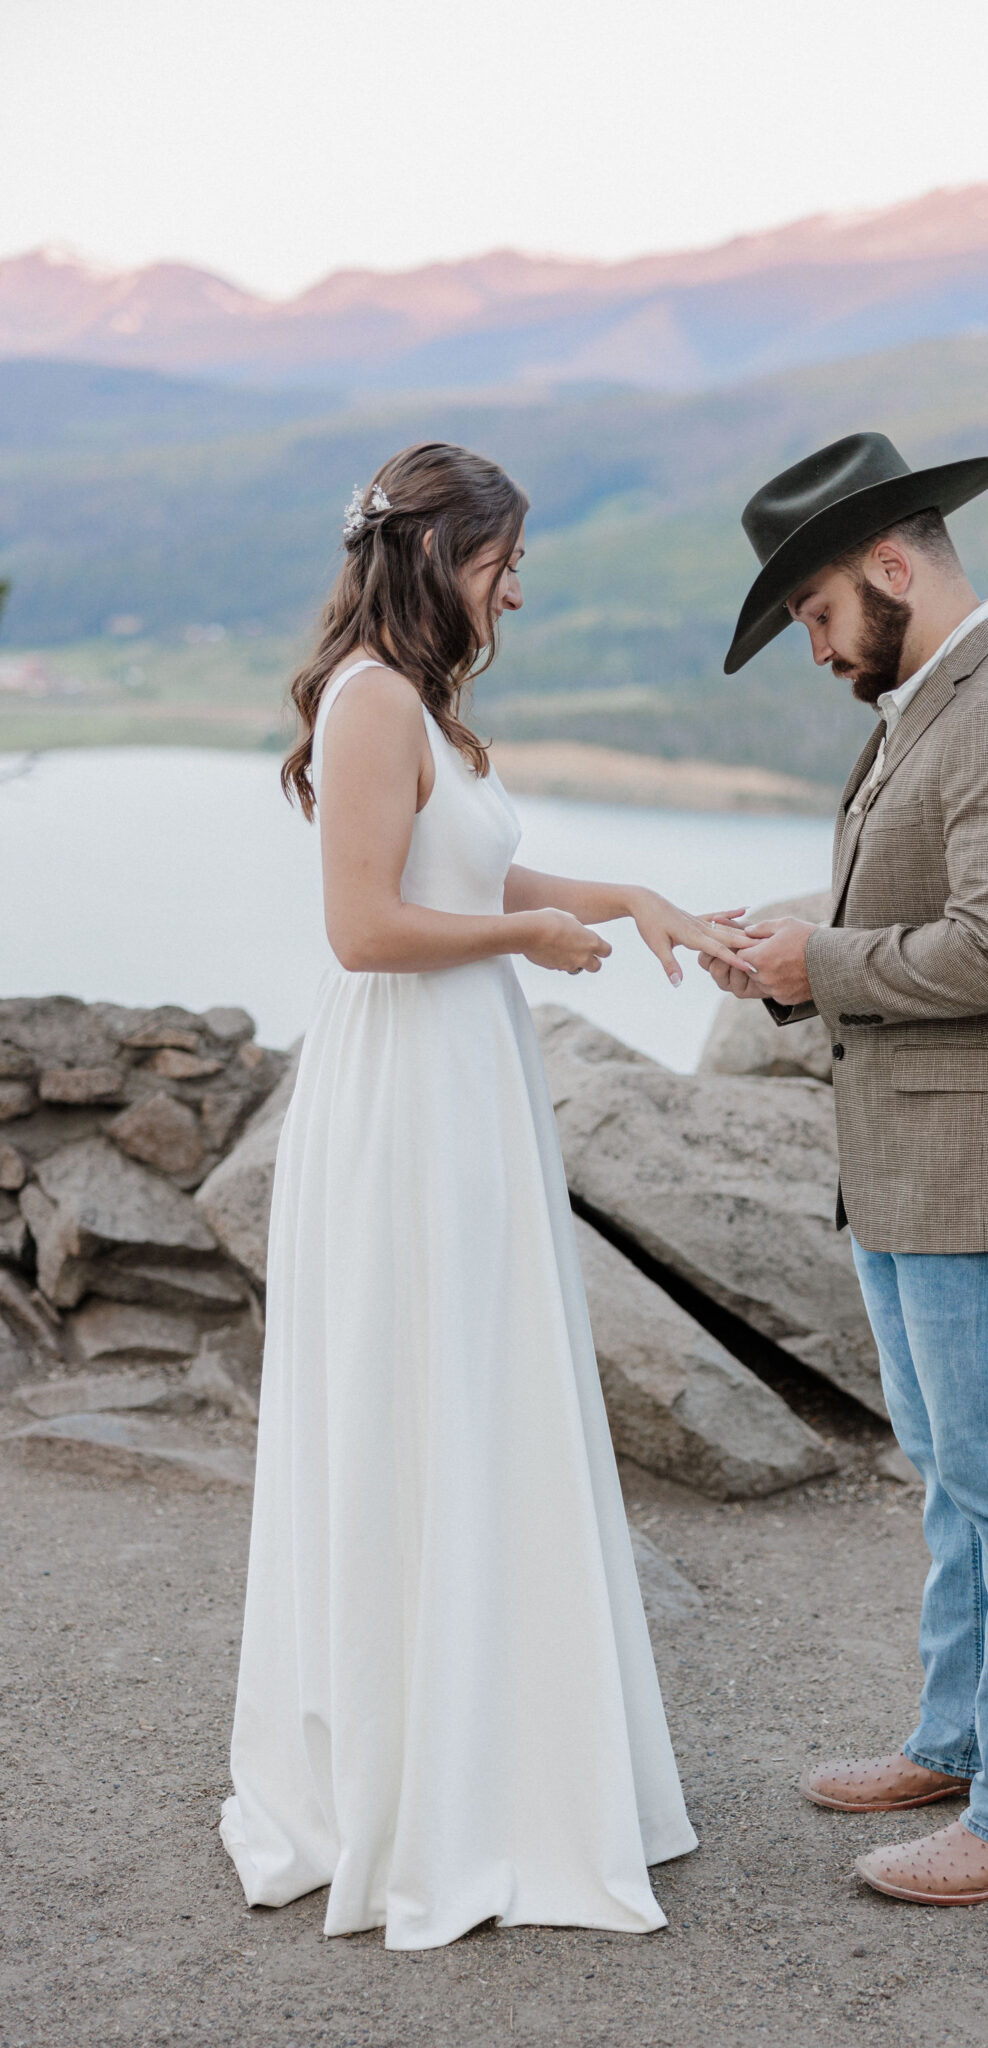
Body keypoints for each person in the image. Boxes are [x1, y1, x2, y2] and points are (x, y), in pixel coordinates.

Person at [220, 440, 752, 1949]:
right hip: (406, 1091)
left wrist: (623, 900)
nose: (515, 582)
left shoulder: (426, 707)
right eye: (501, 556)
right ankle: (427, 1787)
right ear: (435, 555)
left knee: (485, 1395)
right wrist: (525, 953)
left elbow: (473, 879)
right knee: (428, 1400)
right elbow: (365, 930)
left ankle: (504, 1765)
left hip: (467, 1085)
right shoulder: (374, 699)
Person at [704, 432, 988, 1907]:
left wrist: (818, 962)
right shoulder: (929, 706)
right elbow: (927, 913)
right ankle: (959, 1743)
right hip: (914, 1165)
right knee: (954, 1476)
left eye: (816, 614)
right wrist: (790, 949)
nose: (818, 650)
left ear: (889, 564)